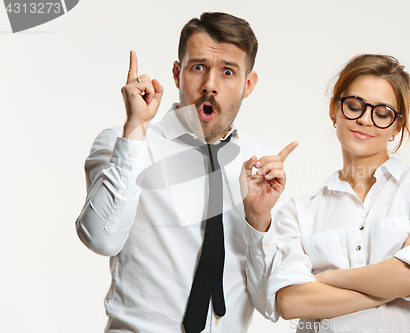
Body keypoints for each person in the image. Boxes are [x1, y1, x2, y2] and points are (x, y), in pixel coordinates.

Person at [76, 12, 296, 333]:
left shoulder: (262, 162)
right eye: (198, 68)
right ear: (178, 73)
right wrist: (135, 130)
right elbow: (100, 238)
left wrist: (259, 219)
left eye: (228, 72)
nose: (210, 85)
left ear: (247, 85)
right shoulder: (127, 141)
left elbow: (269, 303)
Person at [243, 54, 410, 332]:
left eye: (382, 114)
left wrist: (321, 280)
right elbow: (290, 302)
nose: (365, 120)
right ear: (334, 110)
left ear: (397, 126)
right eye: (354, 106)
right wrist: (391, 278)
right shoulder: (299, 213)